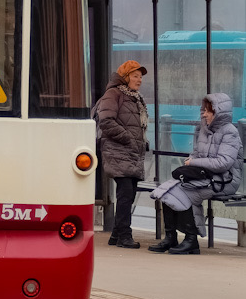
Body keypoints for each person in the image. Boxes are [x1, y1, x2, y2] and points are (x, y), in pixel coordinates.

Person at [150, 93, 242, 254]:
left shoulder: (230, 132)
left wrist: (193, 163)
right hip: (205, 176)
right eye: (204, 110)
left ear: (219, 113)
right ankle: (170, 237)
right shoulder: (203, 128)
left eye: (208, 111)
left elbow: (223, 163)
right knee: (166, 190)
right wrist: (192, 160)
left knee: (186, 192)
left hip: (225, 180)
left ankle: (191, 239)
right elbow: (197, 153)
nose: (204, 114)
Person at [95, 60, 150, 248]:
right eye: (135, 76)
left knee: (129, 193)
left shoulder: (135, 97)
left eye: (141, 77)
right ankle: (125, 236)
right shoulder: (114, 94)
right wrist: (128, 138)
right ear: (125, 77)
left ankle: (116, 235)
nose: (139, 80)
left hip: (132, 153)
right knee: (126, 193)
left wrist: (139, 142)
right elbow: (106, 121)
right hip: (119, 152)